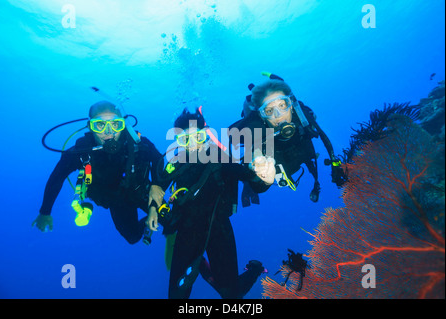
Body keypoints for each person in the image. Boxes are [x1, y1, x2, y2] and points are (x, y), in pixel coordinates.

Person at [147, 108, 275, 299]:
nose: (193, 145)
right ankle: (201, 266)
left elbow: (248, 175)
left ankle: (254, 270)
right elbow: (158, 186)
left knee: (232, 296)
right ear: (178, 142)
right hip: (186, 228)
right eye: (185, 140)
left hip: (219, 228)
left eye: (198, 138)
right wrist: (152, 209)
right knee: (176, 296)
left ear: (205, 136)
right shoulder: (175, 162)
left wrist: (263, 174)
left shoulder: (219, 158)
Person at [32, 101, 163, 245]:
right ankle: (148, 224)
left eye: (115, 124)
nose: (109, 132)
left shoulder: (138, 144)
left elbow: (158, 160)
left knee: (171, 220)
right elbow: (57, 178)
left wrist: (156, 185)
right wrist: (45, 211)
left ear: (123, 125)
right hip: (116, 201)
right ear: (90, 126)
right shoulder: (79, 152)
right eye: (100, 125)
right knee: (132, 237)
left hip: (142, 192)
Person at [230, 73, 346, 206]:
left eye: (282, 105)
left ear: (291, 104)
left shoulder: (303, 117)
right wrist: (263, 178)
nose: (278, 115)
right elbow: (256, 155)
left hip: (297, 159)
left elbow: (325, 139)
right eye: (268, 111)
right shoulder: (257, 132)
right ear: (262, 116)